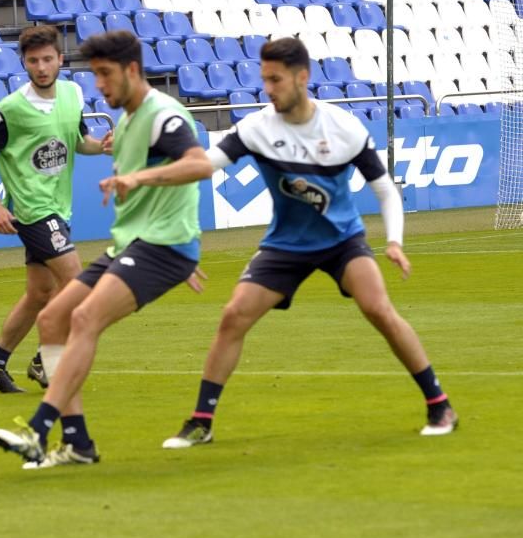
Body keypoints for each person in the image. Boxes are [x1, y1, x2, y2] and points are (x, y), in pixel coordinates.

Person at [162, 37, 458, 449]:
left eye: (276, 79)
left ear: (303, 77)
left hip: (342, 240)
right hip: (285, 245)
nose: (268, 88)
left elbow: (386, 190)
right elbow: (205, 166)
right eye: (264, 79)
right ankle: (201, 420)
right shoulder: (256, 127)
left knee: (379, 309)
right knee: (233, 316)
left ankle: (439, 404)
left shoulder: (343, 128)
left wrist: (394, 242)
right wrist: (149, 175)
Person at [0, 30, 213, 467]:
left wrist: (138, 182)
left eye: (106, 74)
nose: (100, 86)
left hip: (160, 247)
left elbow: (198, 164)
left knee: (84, 317)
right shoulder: (127, 121)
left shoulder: (162, 115)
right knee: (53, 317)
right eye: (94, 75)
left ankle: (37, 430)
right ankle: (77, 444)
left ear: (132, 70)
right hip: (138, 244)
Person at [0, 24, 112, 394]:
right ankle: (45, 359)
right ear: (24, 63)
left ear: (60, 60)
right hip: (33, 210)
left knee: (39, 294)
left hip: (59, 207)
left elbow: (80, 141)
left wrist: (104, 146)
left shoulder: (72, 93)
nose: (41, 66)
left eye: (47, 59)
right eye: (33, 61)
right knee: (78, 281)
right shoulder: (11, 108)